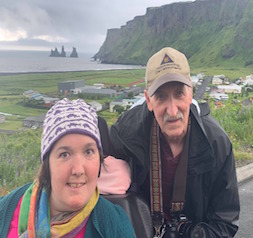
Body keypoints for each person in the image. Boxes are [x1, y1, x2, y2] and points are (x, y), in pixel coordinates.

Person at [108, 47, 240, 237]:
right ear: (148, 100)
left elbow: (225, 221)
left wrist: (192, 233)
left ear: (190, 93)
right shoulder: (125, 134)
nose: (172, 111)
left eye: (179, 93)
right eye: (161, 96)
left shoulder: (217, 144)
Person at [0, 98, 135, 237]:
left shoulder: (116, 226)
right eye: (64, 154)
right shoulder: (5, 210)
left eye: (88, 152)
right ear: (47, 163)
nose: (78, 170)